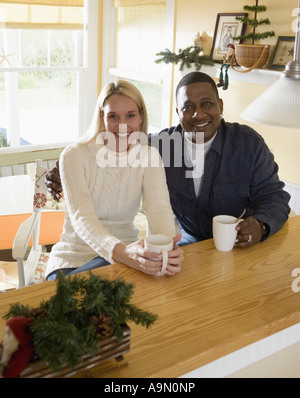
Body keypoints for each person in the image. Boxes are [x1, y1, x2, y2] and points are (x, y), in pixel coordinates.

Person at [46, 71, 291, 249]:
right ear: (177, 113)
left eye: (206, 104)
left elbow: (275, 196)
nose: (198, 114)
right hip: (188, 242)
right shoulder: (160, 146)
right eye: (187, 107)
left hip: (236, 244)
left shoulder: (247, 144)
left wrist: (262, 225)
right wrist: (59, 173)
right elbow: (111, 144)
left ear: (220, 105)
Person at [45, 80, 183, 281]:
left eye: (130, 115)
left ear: (141, 116)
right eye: (113, 116)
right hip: (74, 259)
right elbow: (82, 218)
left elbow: (159, 208)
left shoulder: (149, 156)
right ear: (102, 117)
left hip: (130, 256)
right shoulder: (74, 155)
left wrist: (166, 251)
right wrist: (121, 253)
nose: (122, 125)